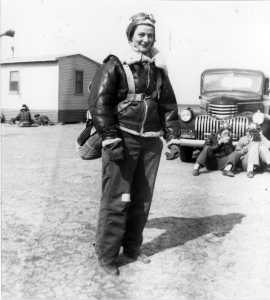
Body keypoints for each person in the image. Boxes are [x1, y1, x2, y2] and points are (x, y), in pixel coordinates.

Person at [88, 12, 180, 275]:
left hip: (151, 143)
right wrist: (110, 137)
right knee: (117, 198)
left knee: (142, 199)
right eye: (141, 34)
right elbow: (99, 104)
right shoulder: (115, 64)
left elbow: (169, 107)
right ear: (130, 36)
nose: (146, 39)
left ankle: (131, 249)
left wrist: (172, 137)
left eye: (150, 35)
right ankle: (106, 256)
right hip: (122, 138)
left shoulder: (159, 70)